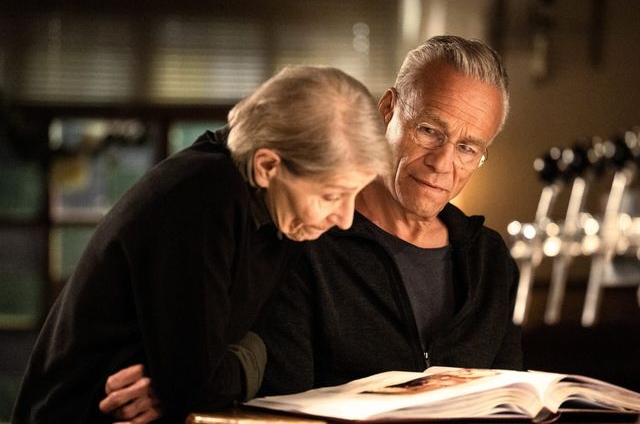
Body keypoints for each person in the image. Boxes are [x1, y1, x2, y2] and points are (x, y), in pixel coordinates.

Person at [98, 35, 523, 421]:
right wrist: (181, 383)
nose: (442, 163)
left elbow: (512, 403)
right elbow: (266, 392)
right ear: (388, 109)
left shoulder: (490, 260)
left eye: (468, 148)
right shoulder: (301, 232)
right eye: (429, 131)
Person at [11, 65, 391, 424]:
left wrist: (215, 369)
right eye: (332, 196)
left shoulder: (288, 214)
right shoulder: (204, 195)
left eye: (353, 195)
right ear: (267, 166)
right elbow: (196, 385)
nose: (344, 218)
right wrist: (205, 375)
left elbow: (278, 344)